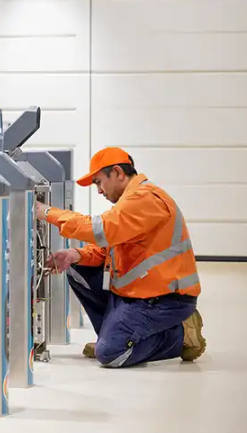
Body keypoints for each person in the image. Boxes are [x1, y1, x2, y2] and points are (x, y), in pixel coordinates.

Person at [35, 147, 205, 368]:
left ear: (117, 172)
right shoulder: (129, 203)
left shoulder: (146, 199)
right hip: (137, 293)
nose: (99, 191)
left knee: (111, 354)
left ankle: (180, 334)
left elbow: (102, 229)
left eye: (98, 182)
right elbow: (110, 249)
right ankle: (113, 335)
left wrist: (47, 212)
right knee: (77, 266)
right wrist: (76, 254)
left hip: (164, 300)